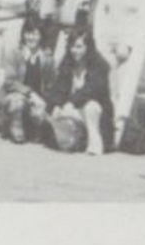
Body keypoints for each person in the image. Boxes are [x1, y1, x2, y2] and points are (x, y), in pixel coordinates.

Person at [94, 0, 145, 116]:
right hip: (107, 39)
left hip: (128, 42)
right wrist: (99, 40)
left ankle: (124, 123)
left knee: (125, 86)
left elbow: (142, 18)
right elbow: (100, 13)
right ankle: (107, 123)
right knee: (106, 84)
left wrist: (129, 43)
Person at [46, 26, 113, 155]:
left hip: (96, 114)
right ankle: (77, 138)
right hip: (74, 111)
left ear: (88, 47)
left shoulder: (100, 65)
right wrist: (56, 105)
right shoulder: (67, 62)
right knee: (55, 113)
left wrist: (71, 102)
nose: (74, 51)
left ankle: (95, 142)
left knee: (90, 106)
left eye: (79, 47)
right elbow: (59, 87)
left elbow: (92, 89)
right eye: (72, 46)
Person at [0, 17, 57, 143]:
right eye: (28, 33)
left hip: (37, 101)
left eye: (35, 34)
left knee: (43, 127)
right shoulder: (14, 53)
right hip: (16, 97)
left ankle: (33, 127)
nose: (31, 38)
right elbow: (10, 82)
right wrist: (31, 94)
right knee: (18, 102)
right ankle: (13, 126)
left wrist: (47, 102)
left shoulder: (47, 58)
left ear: (41, 36)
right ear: (23, 34)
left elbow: (51, 85)